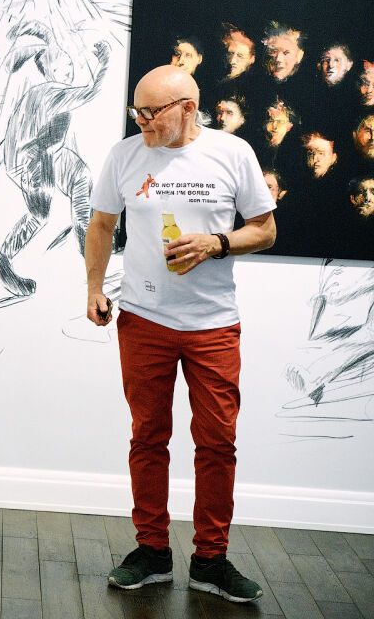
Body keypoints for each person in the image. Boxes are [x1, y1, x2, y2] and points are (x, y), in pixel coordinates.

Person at [84, 65, 275, 604]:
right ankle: (151, 552)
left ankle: (211, 559)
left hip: (213, 324)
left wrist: (217, 243)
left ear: (188, 108)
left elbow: (265, 229)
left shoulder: (232, 154)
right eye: (136, 111)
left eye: (152, 112)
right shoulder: (125, 155)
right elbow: (101, 225)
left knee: (217, 442)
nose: (142, 122)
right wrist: (94, 287)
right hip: (144, 319)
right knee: (148, 437)